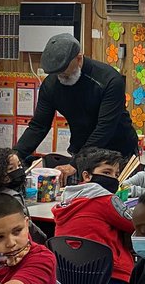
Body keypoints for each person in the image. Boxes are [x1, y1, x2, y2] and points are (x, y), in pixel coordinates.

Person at [14, 34, 138, 180]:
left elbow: (105, 127)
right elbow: (38, 126)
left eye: (64, 71)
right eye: (56, 73)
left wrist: (76, 162)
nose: (60, 77)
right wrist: (14, 156)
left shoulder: (109, 80)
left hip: (117, 152)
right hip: (81, 149)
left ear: (79, 59)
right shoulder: (51, 85)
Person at [52, 147, 136, 284]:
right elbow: (134, 225)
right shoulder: (105, 200)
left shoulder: (65, 201)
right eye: (106, 172)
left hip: (69, 281)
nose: (113, 178)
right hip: (110, 280)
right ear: (87, 175)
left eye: (116, 174)